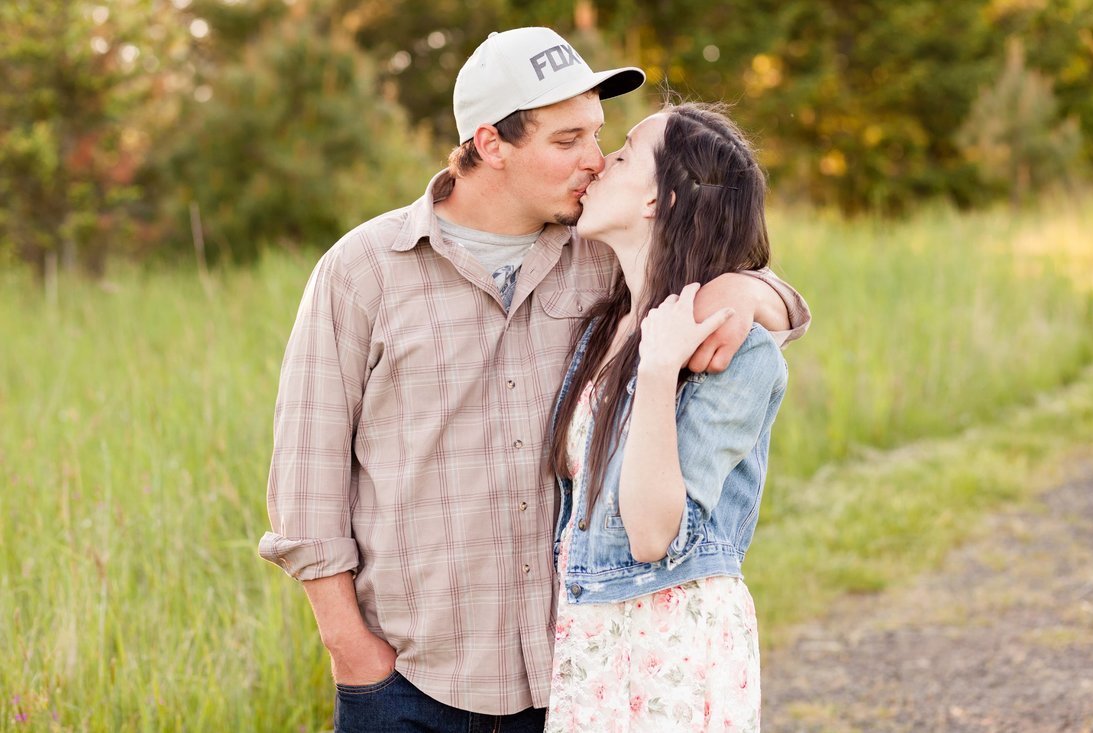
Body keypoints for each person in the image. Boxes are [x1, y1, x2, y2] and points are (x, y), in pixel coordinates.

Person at [258, 27, 810, 733]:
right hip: (409, 679)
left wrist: (748, 292)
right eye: (566, 140)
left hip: (573, 675)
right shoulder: (364, 269)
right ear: (491, 144)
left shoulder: (599, 251)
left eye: (599, 136)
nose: (594, 160)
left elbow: (706, 242)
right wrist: (353, 651)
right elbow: (305, 482)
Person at [544, 103, 787, 732]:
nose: (599, 163)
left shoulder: (735, 351)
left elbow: (652, 536)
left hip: (670, 644)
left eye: (623, 155)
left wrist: (656, 373)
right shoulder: (599, 329)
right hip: (590, 636)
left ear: (663, 200)